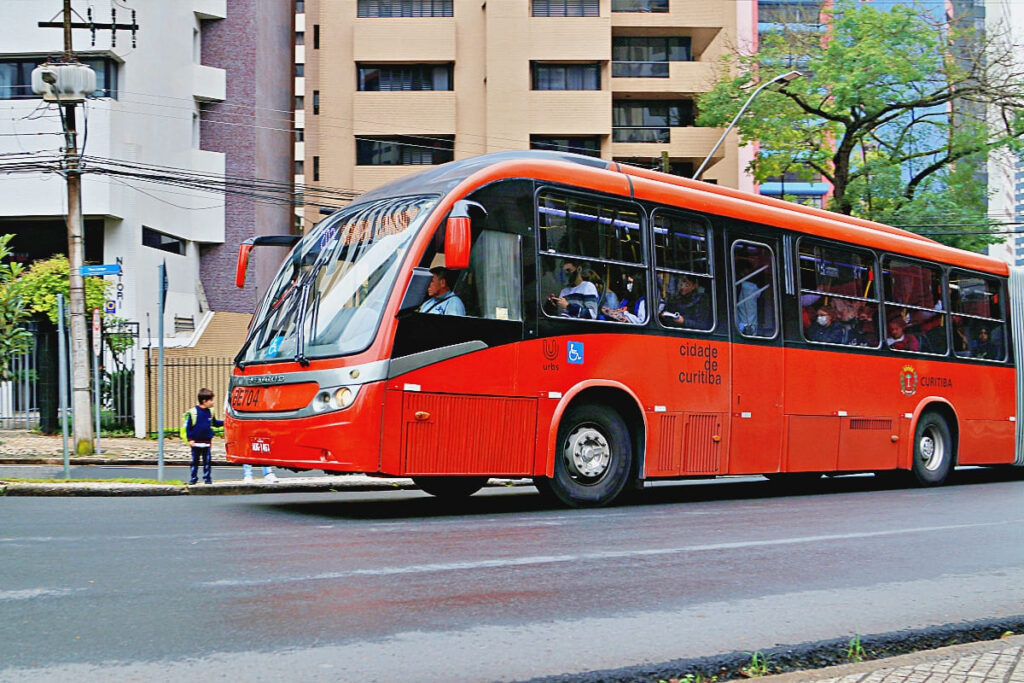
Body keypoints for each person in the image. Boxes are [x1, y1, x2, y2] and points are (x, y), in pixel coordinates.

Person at [181, 388, 223, 485]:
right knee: (194, 462)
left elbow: (214, 423)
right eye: (211, 400)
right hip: (196, 443)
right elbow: (188, 428)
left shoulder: (210, 412)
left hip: (206, 442)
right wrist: (190, 439)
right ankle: (193, 478)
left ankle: (207, 478)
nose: (213, 402)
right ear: (204, 401)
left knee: (207, 462)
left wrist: (225, 423)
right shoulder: (193, 412)